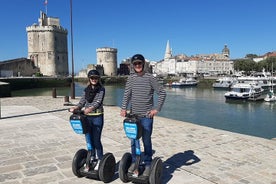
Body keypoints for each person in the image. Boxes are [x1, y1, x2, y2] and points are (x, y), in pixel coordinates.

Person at [120, 54, 166, 176]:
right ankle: (135, 162)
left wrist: (156, 109)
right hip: (133, 116)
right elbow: (127, 95)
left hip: (146, 117)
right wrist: (124, 108)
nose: (138, 66)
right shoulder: (131, 78)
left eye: (139, 63)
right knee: (133, 141)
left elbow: (162, 93)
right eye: (135, 64)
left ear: (143, 64)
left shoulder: (150, 78)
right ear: (132, 66)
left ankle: (147, 164)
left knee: (146, 141)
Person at [69, 69, 105, 170]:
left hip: (97, 117)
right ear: (89, 79)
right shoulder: (86, 90)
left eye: (96, 78)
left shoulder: (101, 89)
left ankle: (100, 159)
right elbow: (82, 102)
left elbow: (98, 102)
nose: (94, 79)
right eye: (92, 78)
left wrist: (90, 109)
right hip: (87, 118)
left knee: (96, 140)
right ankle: (92, 157)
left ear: (98, 79)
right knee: (88, 139)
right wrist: (76, 108)